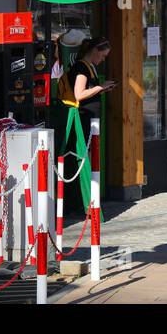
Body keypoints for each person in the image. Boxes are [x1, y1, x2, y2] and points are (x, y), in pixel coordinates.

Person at [62, 36, 116, 214]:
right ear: (95, 51)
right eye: (103, 55)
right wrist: (100, 88)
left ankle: (87, 200)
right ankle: (79, 202)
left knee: (89, 158)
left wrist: (102, 87)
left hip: (90, 119)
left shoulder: (90, 67)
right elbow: (79, 94)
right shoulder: (81, 68)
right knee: (80, 158)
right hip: (82, 119)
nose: (103, 59)